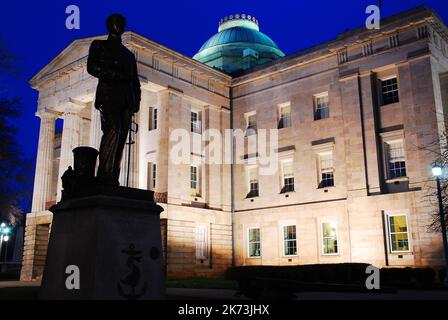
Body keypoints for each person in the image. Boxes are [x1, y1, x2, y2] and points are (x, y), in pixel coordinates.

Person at [87, 13, 141, 186]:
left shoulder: (128, 55)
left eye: (122, 23)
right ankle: (103, 175)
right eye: (117, 23)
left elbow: (135, 81)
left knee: (122, 138)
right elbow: (92, 67)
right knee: (114, 130)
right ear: (110, 25)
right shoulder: (99, 45)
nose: (120, 26)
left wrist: (137, 101)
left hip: (126, 100)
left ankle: (113, 178)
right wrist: (115, 74)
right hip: (108, 95)